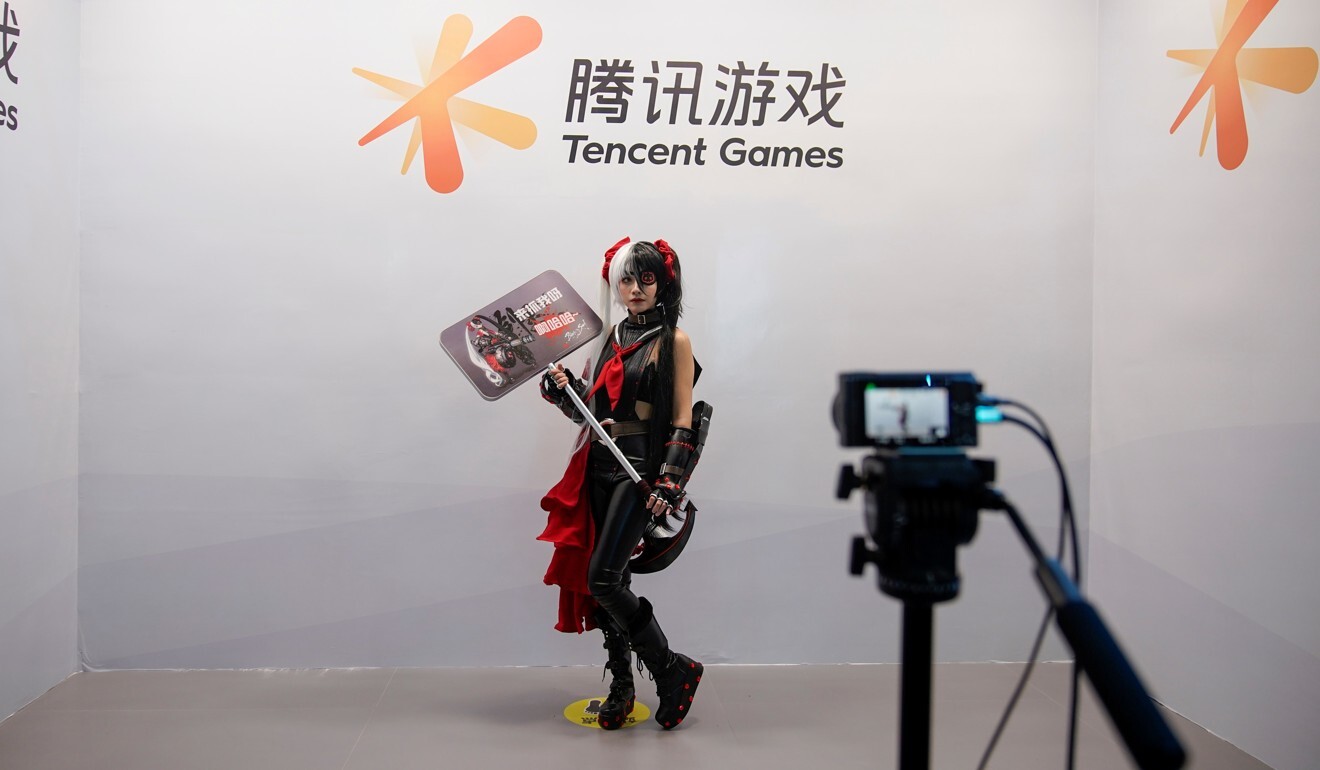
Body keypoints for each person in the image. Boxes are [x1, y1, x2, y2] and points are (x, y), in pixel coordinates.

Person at [537, 237, 704, 731]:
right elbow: (588, 415)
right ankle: (622, 686)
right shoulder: (609, 336)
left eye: (645, 278)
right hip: (600, 465)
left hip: (640, 474)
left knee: (603, 579)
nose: (634, 288)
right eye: (626, 279)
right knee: (610, 581)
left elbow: (682, 419)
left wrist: (669, 481)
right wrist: (562, 391)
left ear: (662, 283)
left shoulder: (673, 340)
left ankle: (672, 670)